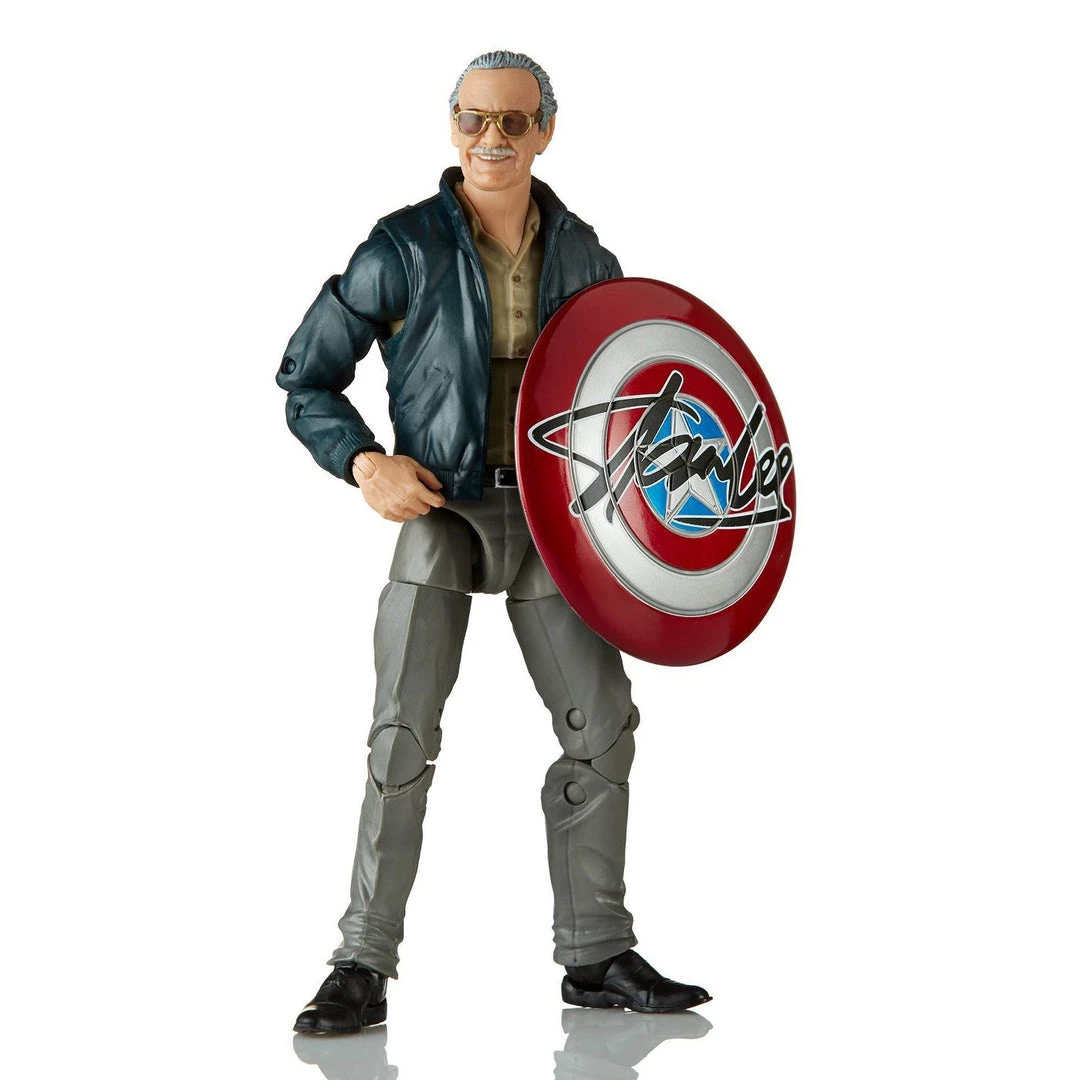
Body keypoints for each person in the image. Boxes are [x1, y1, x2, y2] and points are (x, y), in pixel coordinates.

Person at [278, 50, 710, 1034]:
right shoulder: (402, 247)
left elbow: (626, 395)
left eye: (514, 121)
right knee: (402, 734)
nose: (493, 138)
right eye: (475, 118)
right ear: (452, 125)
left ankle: (596, 952)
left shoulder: (586, 256)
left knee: (602, 724)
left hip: (554, 519)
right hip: (438, 508)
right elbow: (307, 377)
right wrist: (365, 463)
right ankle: (361, 959)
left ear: (545, 130)